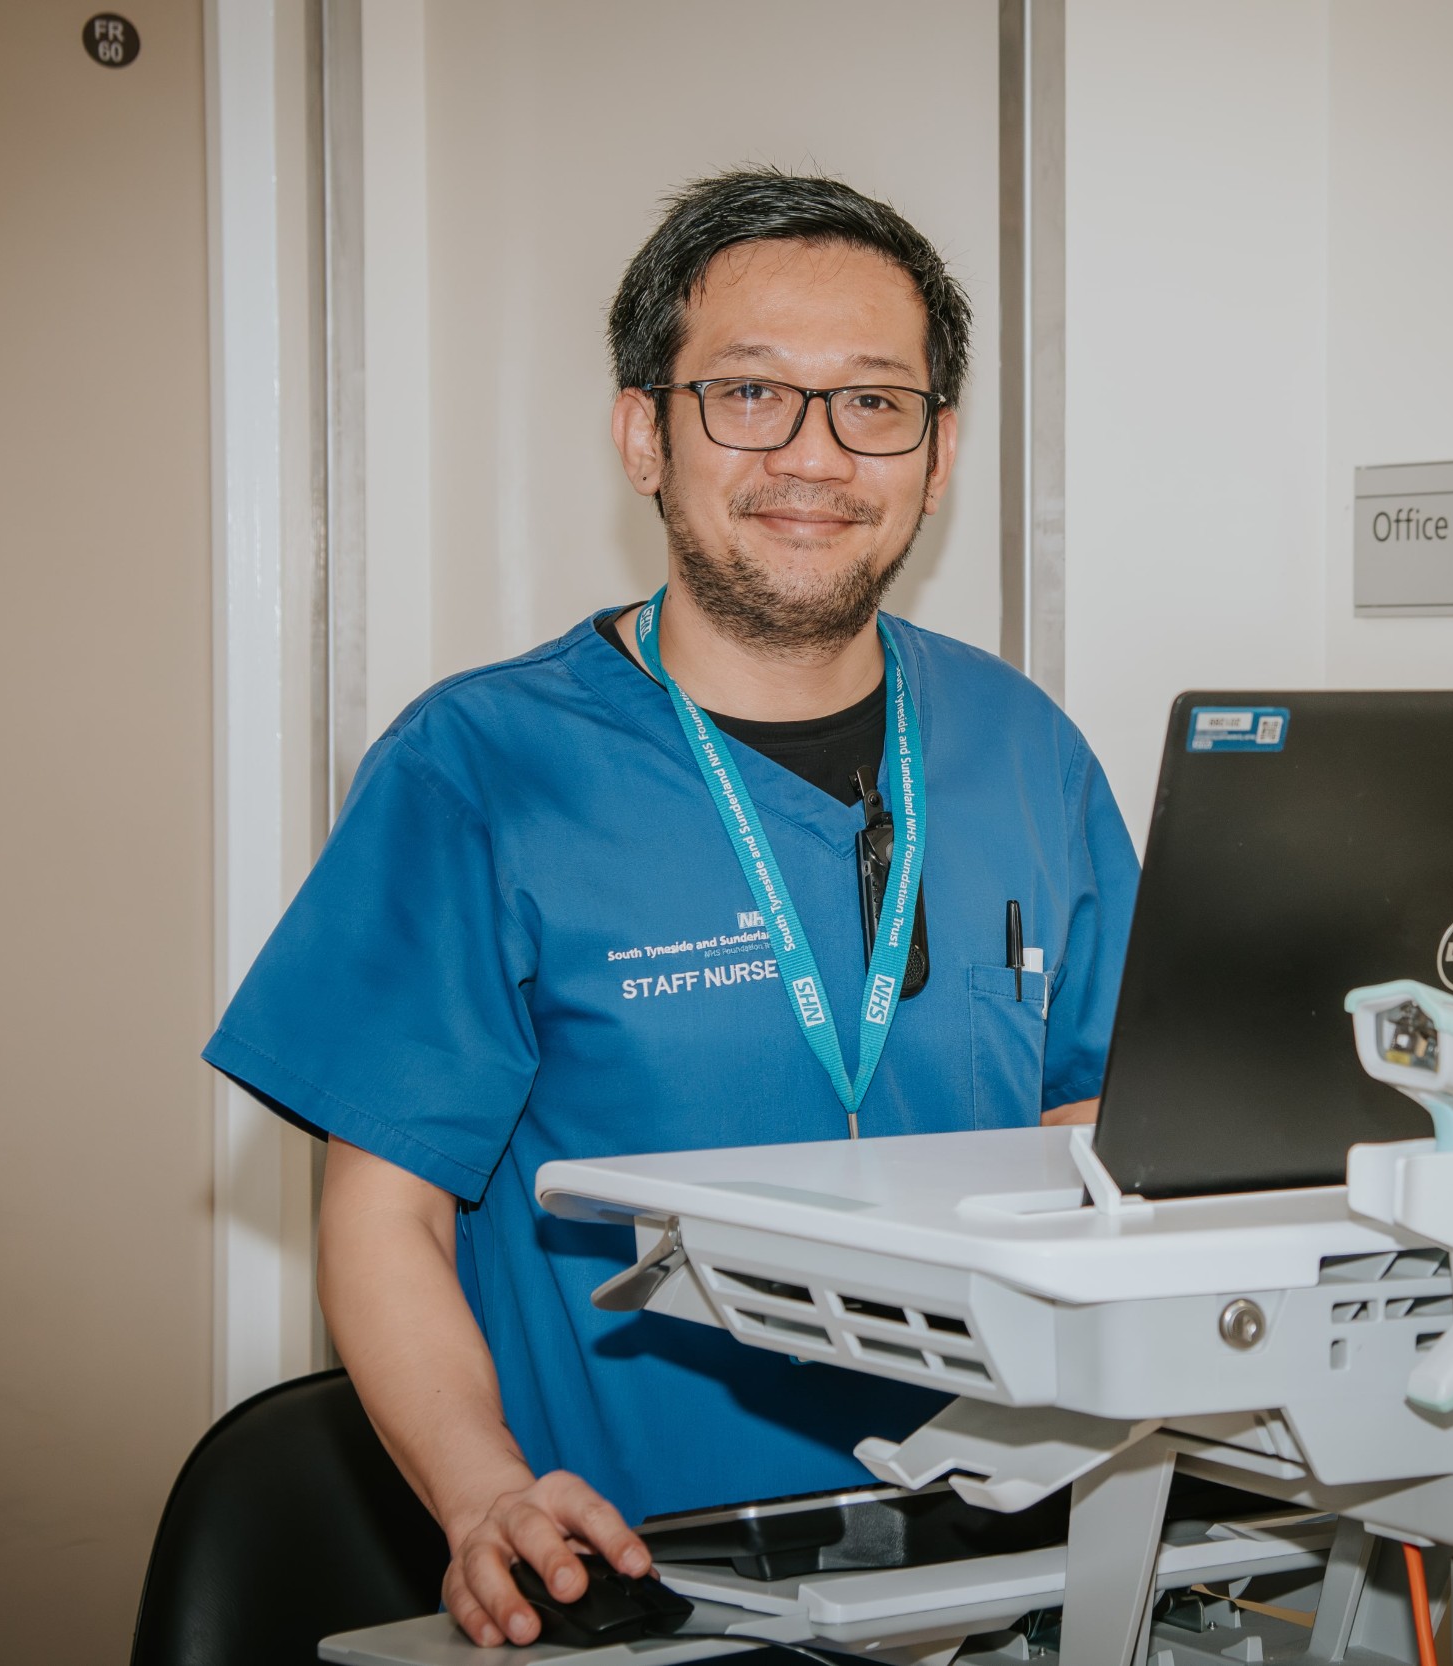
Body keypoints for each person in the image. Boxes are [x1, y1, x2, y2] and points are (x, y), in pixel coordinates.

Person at [202, 169, 1139, 1647]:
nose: (816, 455)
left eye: (875, 404)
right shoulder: (479, 768)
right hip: (639, 1584)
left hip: (1012, 1572)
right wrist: (478, 1491)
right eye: (750, 394)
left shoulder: (1025, 749)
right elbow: (384, 1216)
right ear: (645, 430)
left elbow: (1097, 1130)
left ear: (939, 451)